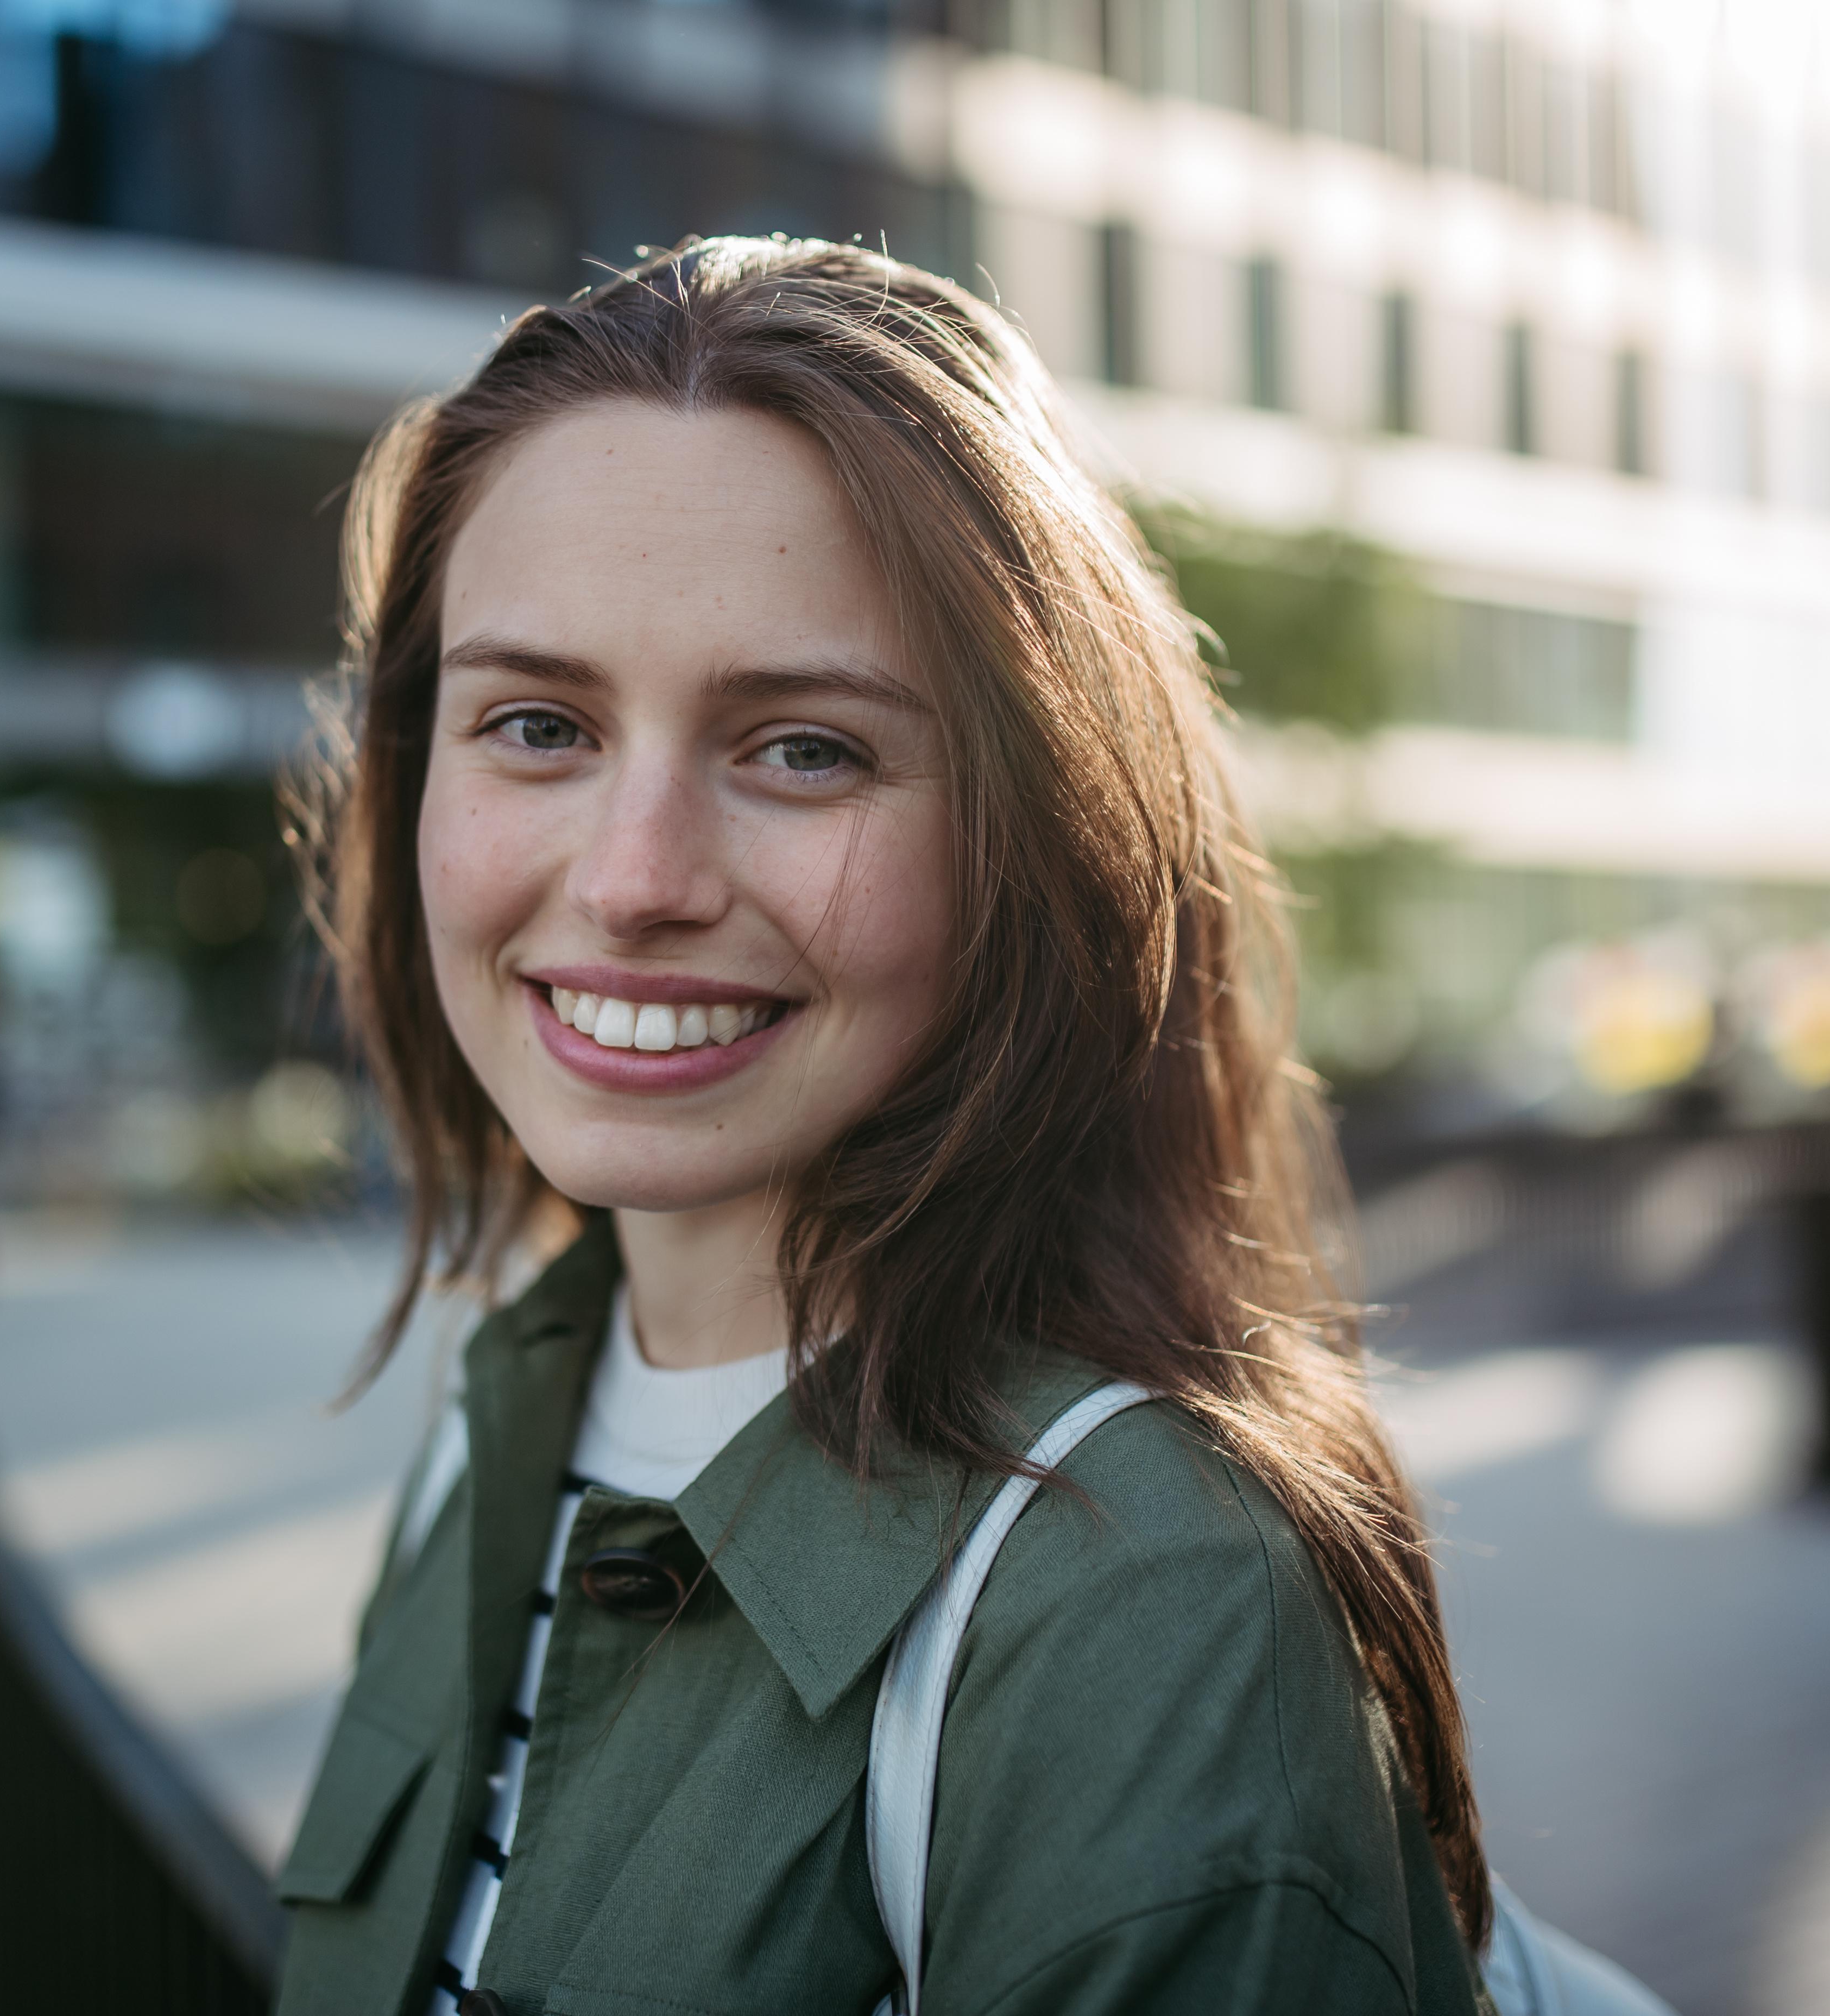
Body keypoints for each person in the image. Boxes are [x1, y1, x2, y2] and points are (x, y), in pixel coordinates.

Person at [280, 237, 1492, 2015]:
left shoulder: (1133, 1615)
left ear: (1034, 830)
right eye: (536, 725)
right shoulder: (504, 1422)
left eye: (805, 751)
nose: (633, 884)